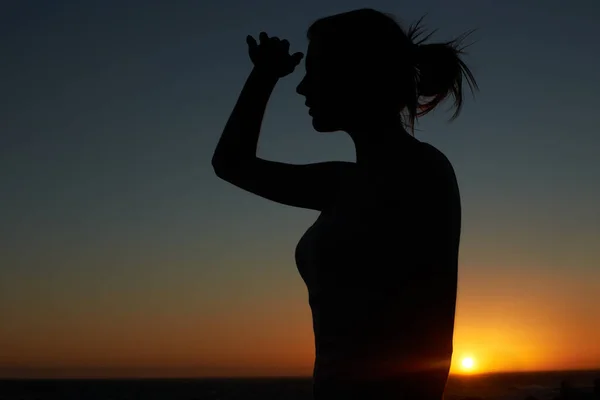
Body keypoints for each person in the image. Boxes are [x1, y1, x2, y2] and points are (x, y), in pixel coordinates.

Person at [212, 8, 478, 400]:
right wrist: (263, 74)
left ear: (356, 73)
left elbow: (423, 339)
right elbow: (231, 164)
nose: (301, 87)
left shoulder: (421, 172)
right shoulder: (345, 182)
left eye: (314, 69)